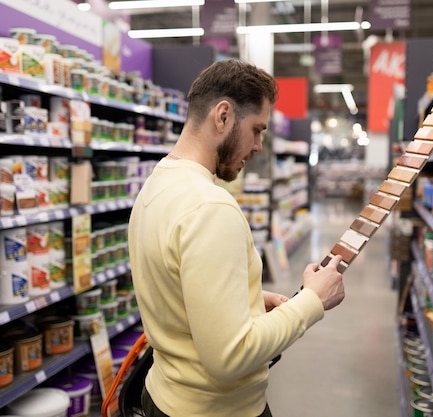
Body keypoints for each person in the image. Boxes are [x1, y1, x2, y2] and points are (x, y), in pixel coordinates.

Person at [128, 59, 346, 417]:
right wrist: (311, 301)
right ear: (223, 115)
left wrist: (242, 299)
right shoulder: (211, 207)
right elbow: (230, 357)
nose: (259, 145)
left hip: (163, 397)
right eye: (257, 130)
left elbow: (172, 282)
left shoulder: (157, 184)